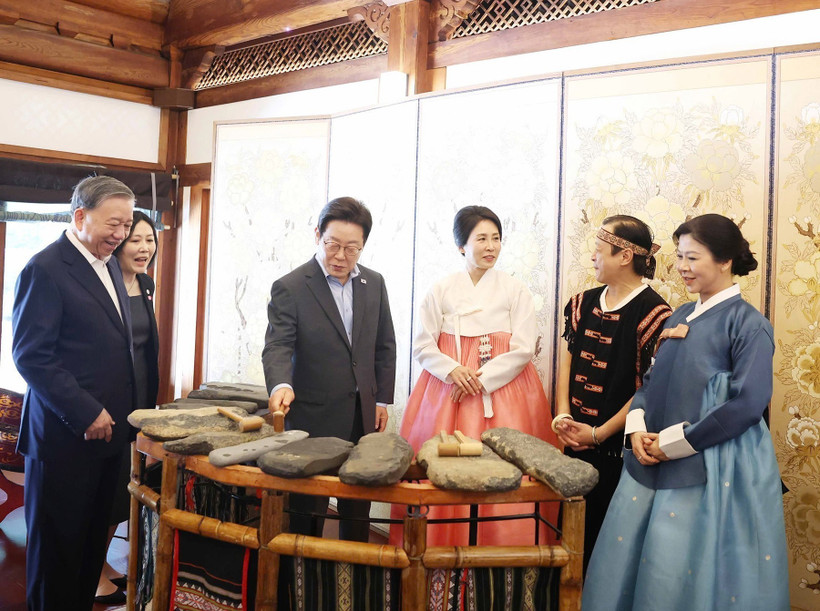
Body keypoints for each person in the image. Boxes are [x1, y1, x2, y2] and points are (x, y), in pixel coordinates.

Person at [582, 214, 789, 611]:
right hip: (651, 460)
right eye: (679, 256)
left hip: (712, 471)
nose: (682, 267)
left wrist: (675, 443)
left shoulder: (749, 325)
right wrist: (638, 429)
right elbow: (650, 382)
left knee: (679, 572)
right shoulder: (677, 316)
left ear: (725, 260)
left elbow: (747, 404)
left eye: (692, 258)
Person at [391, 205, 557, 547]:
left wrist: (482, 377)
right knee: (441, 465)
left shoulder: (515, 289)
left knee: (507, 465)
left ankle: (505, 552)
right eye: (481, 238)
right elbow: (423, 344)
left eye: (496, 238)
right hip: (446, 391)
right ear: (461, 245)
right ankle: (438, 549)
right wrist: (453, 369)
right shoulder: (440, 290)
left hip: (504, 391)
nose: (491, 246)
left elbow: (524, 347)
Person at [12, 175, 136, 610]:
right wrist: (85, 412)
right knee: (56, 563)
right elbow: (32, 356)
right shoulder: (45, 268)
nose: (121, 235)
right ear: (80, 216)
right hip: (64, 441)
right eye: (113, 224)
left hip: (109, 440)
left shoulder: (108, 266)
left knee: (87, 559)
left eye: (128, 225)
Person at [261, 196, 396, 542]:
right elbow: (278, 345)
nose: (341, 256)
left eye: (352, 249)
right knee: (307, 518)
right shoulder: (291, 287)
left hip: (361, 416)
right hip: (312, 420)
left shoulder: (375, 283)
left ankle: (355, 588)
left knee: (357, 515)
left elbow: (384, 346)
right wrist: (280, 385)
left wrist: (381, 401)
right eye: (333, 245)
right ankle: (299, 591)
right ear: (317, 235)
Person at [554, 215, 672, 574]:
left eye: (599, 250)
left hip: (619, 451)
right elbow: (567, 362)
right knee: (569, 539)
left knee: (607, 546)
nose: (592, 257)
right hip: (573, 442)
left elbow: (648, 388)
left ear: (624, 256)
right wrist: (562, 414)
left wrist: (599, 433)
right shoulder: (581, 302)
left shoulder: (655, 313)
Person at [93, 211, 160, 603]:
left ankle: (100, 563)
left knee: (121, 489)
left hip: (137, 403)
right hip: (105, 403)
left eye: (149, 240)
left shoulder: (146, 284)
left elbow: (146, 350)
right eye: (135, 239)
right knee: (104, 491)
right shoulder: (103, 284)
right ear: (117, 242)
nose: (143, 247)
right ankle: (92, 569)